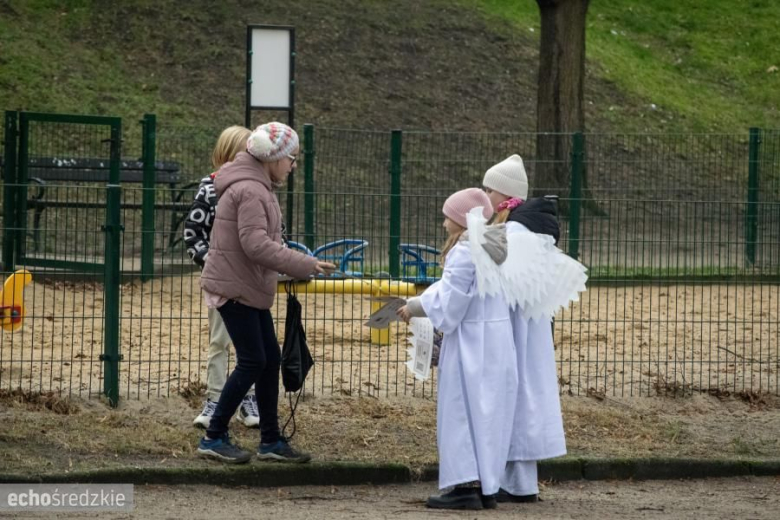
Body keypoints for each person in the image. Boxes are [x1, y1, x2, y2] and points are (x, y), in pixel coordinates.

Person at [196, 122, 335, 464]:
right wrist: (303, 263)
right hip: (235, 288)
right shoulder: (252, 191)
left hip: (247, 286)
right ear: (273, 157)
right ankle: (213, 436)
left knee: (269, 359)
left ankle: (270, 440)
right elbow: (256, 245)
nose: (293, 165)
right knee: (254, 360)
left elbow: (263, 243)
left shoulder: (259, 186)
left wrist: (293, 263)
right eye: (291, 158)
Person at [398, 188, 518, 510]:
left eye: (448, 216)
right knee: (488, 414)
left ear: (462, 219)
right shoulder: (490, 247)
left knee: (460, 411)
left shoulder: (463, 251)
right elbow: (457, 289)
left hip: (470, 345)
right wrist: (422, 301)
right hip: (495, 342)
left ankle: (464, 485)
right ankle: (486, 485)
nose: (443, 223)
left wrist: (416, 305)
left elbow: (451, 303)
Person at [482, 154, 568, 502]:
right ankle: (518, 482)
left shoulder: (515, 234)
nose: (482, 194)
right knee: (523, 398)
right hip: (529, 333)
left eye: (487, 189)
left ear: (503, 196)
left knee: (513, 399)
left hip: (514, 331)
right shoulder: (529, 232)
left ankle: (514, 484)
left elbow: (503, 284)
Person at [184, 125, 260, 430]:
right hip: (221, 282)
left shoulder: (260, 188)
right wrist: (212, 265)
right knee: (219, 341)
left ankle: (248, 399)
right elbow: (193, 233)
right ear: (227, 154)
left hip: (253, 282)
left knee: (252, 346)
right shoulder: (210, 187)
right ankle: (215, 399)